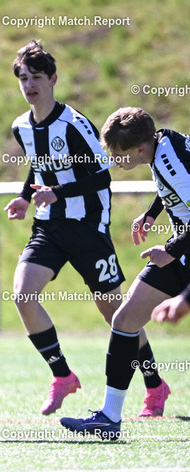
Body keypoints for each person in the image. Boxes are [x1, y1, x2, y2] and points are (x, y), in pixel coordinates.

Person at [4, 41, 166, 417]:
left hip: (88, 228)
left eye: (37, 77)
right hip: (48, 227)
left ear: (53, 79)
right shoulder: (21, 126)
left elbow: (102, 176)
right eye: (23, 78)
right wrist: (25, 198)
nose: (29, 85)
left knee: (116, 315)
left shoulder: (74, 124)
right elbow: (39, 165)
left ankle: (155, 384)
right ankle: (62, 376)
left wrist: (56, 193)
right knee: (23, 295)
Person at [61, 107, 184, 439]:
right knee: (125, 321)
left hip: (181, 251)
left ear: (140, 149)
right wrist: (152, 213)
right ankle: (109, 418)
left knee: (124, 320)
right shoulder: (163, 144)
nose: (115, 161)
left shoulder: (171, 161)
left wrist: (171, 250)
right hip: (181, 252)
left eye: (119, 155)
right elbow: (176, 188)